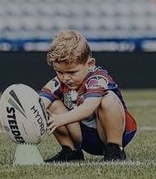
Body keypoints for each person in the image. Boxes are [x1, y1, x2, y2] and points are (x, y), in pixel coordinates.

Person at [39, 30, 137, 162]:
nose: (66, 78)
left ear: (90, 64)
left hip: (110, 132)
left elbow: (88, 108)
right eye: (59, 72)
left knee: (108, 99)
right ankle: (71, 152)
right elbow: (40, 102)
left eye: (72, 72)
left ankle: (115, 150)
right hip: (85, 137)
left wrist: (60, 119)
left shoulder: (97, 78)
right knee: (53, 104)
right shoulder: (59, 81)